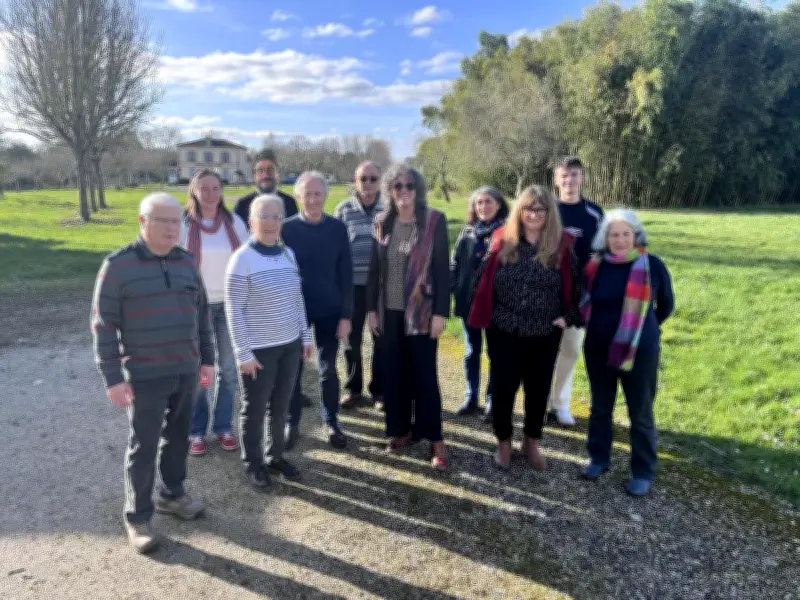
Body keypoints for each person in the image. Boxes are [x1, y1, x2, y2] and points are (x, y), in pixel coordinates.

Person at [91, 192, 213, 554]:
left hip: (185, 369)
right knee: (143, 445)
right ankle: (138, 517)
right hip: (144, 374)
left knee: (178, 437)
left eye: (177, 221)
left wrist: (207, 359)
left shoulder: (187, 263)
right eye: (163, 221)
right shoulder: (118, 266)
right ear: (143, 222)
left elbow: (202, 315)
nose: (172, 228)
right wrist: (113, 378)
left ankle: (173, 494)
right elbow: (103, 325)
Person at [469, 185, 581, 471]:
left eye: (540, 209)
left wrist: (567, 317)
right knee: (504, 388)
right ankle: (503, 442)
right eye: (528, 209)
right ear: (519, 211)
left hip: (545, 332)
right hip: (504, 329)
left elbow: (577, 285)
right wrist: (489, 318)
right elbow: (482, 280)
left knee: (538, 389)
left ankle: (531, 441)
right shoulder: (501, 240)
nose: (533, 214)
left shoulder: (562, 245)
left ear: (548, 213)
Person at [580, 209, 674, 497]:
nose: (619, 240)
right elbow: (582, 302)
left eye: (625, 234)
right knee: (600, 407)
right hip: (597, 346)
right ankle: (598, 458)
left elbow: (666, 306)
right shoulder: (594, 267)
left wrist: (643, 331)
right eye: (613, 234)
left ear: (636, 236)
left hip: (639, 351)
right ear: (605, 238)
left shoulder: (652, 265)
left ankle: (643, 470)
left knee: (640, 411)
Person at [225, 194, 314, 490]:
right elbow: (233, 310)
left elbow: (297, 298)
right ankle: (253, 463)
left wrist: (305, 335)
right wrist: (243, 353)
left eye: (277, 217)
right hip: (259, 351)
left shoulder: (288, 254)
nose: (272, 222)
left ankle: (274, 455)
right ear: (252, 222)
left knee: (281, 405)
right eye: (264, 216)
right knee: (254, 408)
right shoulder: (241, 259)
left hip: (289, 346)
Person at [366, 164, 450, 471]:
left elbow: (442, 270)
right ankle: (400, 430)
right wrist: (371, 310)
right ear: (389, 190)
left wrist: (441, 312)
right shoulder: (381, 223)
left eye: (409, 185)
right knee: (394, 375)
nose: (403, 191)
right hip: (389, 313)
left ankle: (435, 440)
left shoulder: (433, 221)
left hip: (422, 313)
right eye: (397, 186)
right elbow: (374, 270)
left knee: (425, 377)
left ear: (418, 189)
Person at [282, 171, 353, 450]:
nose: (312, 199)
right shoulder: (286, 229)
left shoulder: (337, 228)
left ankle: (331, 421)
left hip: (329, 310)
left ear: (326, 196)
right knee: (293, 369)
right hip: (294, 311)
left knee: (327, 369)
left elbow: (345, 274)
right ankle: (291, 421)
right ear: (298, 196)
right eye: (306, 194)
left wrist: (346, 315)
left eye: (317, 194)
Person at [180, 168, 248, 456]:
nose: (210, 194)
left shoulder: (234, 222)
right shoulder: (182, 224)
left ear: (222, 191)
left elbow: (246, 259)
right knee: (198, 372)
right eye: (204, 188)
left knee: (229, 371)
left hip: (229, 305)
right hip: (195, 306)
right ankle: (196, 431)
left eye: (215, 188)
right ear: (193, 191)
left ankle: (223, 427)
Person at [548, 156, 604, 427]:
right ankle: (540, 403)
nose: (569, 180)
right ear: (556, 179)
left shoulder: (594, 213)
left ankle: (561, 404)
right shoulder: (546, 210)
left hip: (578, 297)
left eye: (574, 175)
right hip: (545, 293)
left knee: (569, 350)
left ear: (582, 178)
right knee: (541, 351)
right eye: (564, 175)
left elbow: (601, 255)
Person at [450, 186, 509, 419]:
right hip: (468, 303)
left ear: (499, 204)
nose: (483, 207)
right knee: (472, 351)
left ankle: (492, 400)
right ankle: (470, 396)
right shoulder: (466, 233)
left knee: (496, 354)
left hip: (496, 304)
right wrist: (455, 287)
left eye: (488, 202)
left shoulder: (508, 234)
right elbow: (454, 264)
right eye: (479, 203)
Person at [334, 161, 385, 409]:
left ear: (380, 181)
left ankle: (379, 391)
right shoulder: (343, 209)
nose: (368, 184)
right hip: (352, 286)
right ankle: (353, 389)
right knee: (351, 340)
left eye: (373, 179)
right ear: (355, 181)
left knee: (381, 339)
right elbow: (334, 250)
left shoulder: (389, 208)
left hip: (381, 287)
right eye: (363, 179)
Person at [234, 148, 298, 230]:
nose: (265, 175)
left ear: (277, 174)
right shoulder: (242, 205)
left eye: (270, 170)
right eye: (260, 170)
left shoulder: (289, 203)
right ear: (254, 175)